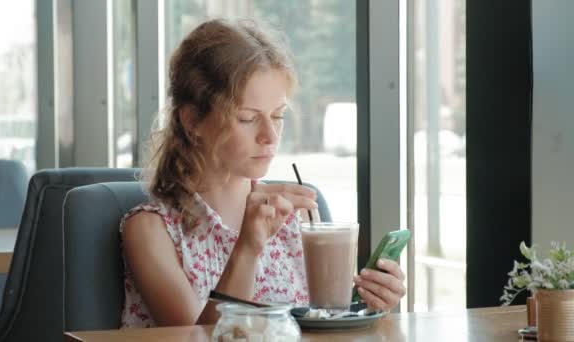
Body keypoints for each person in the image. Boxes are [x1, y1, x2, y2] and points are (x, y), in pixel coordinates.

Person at [120, 18, 406, 328]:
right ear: (192, 121)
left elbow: (326, 324)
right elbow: (200, 338)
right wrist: (247, 247)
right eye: (247, 118)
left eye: (278, 116)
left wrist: (371, 306)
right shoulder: (150, 230)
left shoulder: (298, 218)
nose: (270, 135)